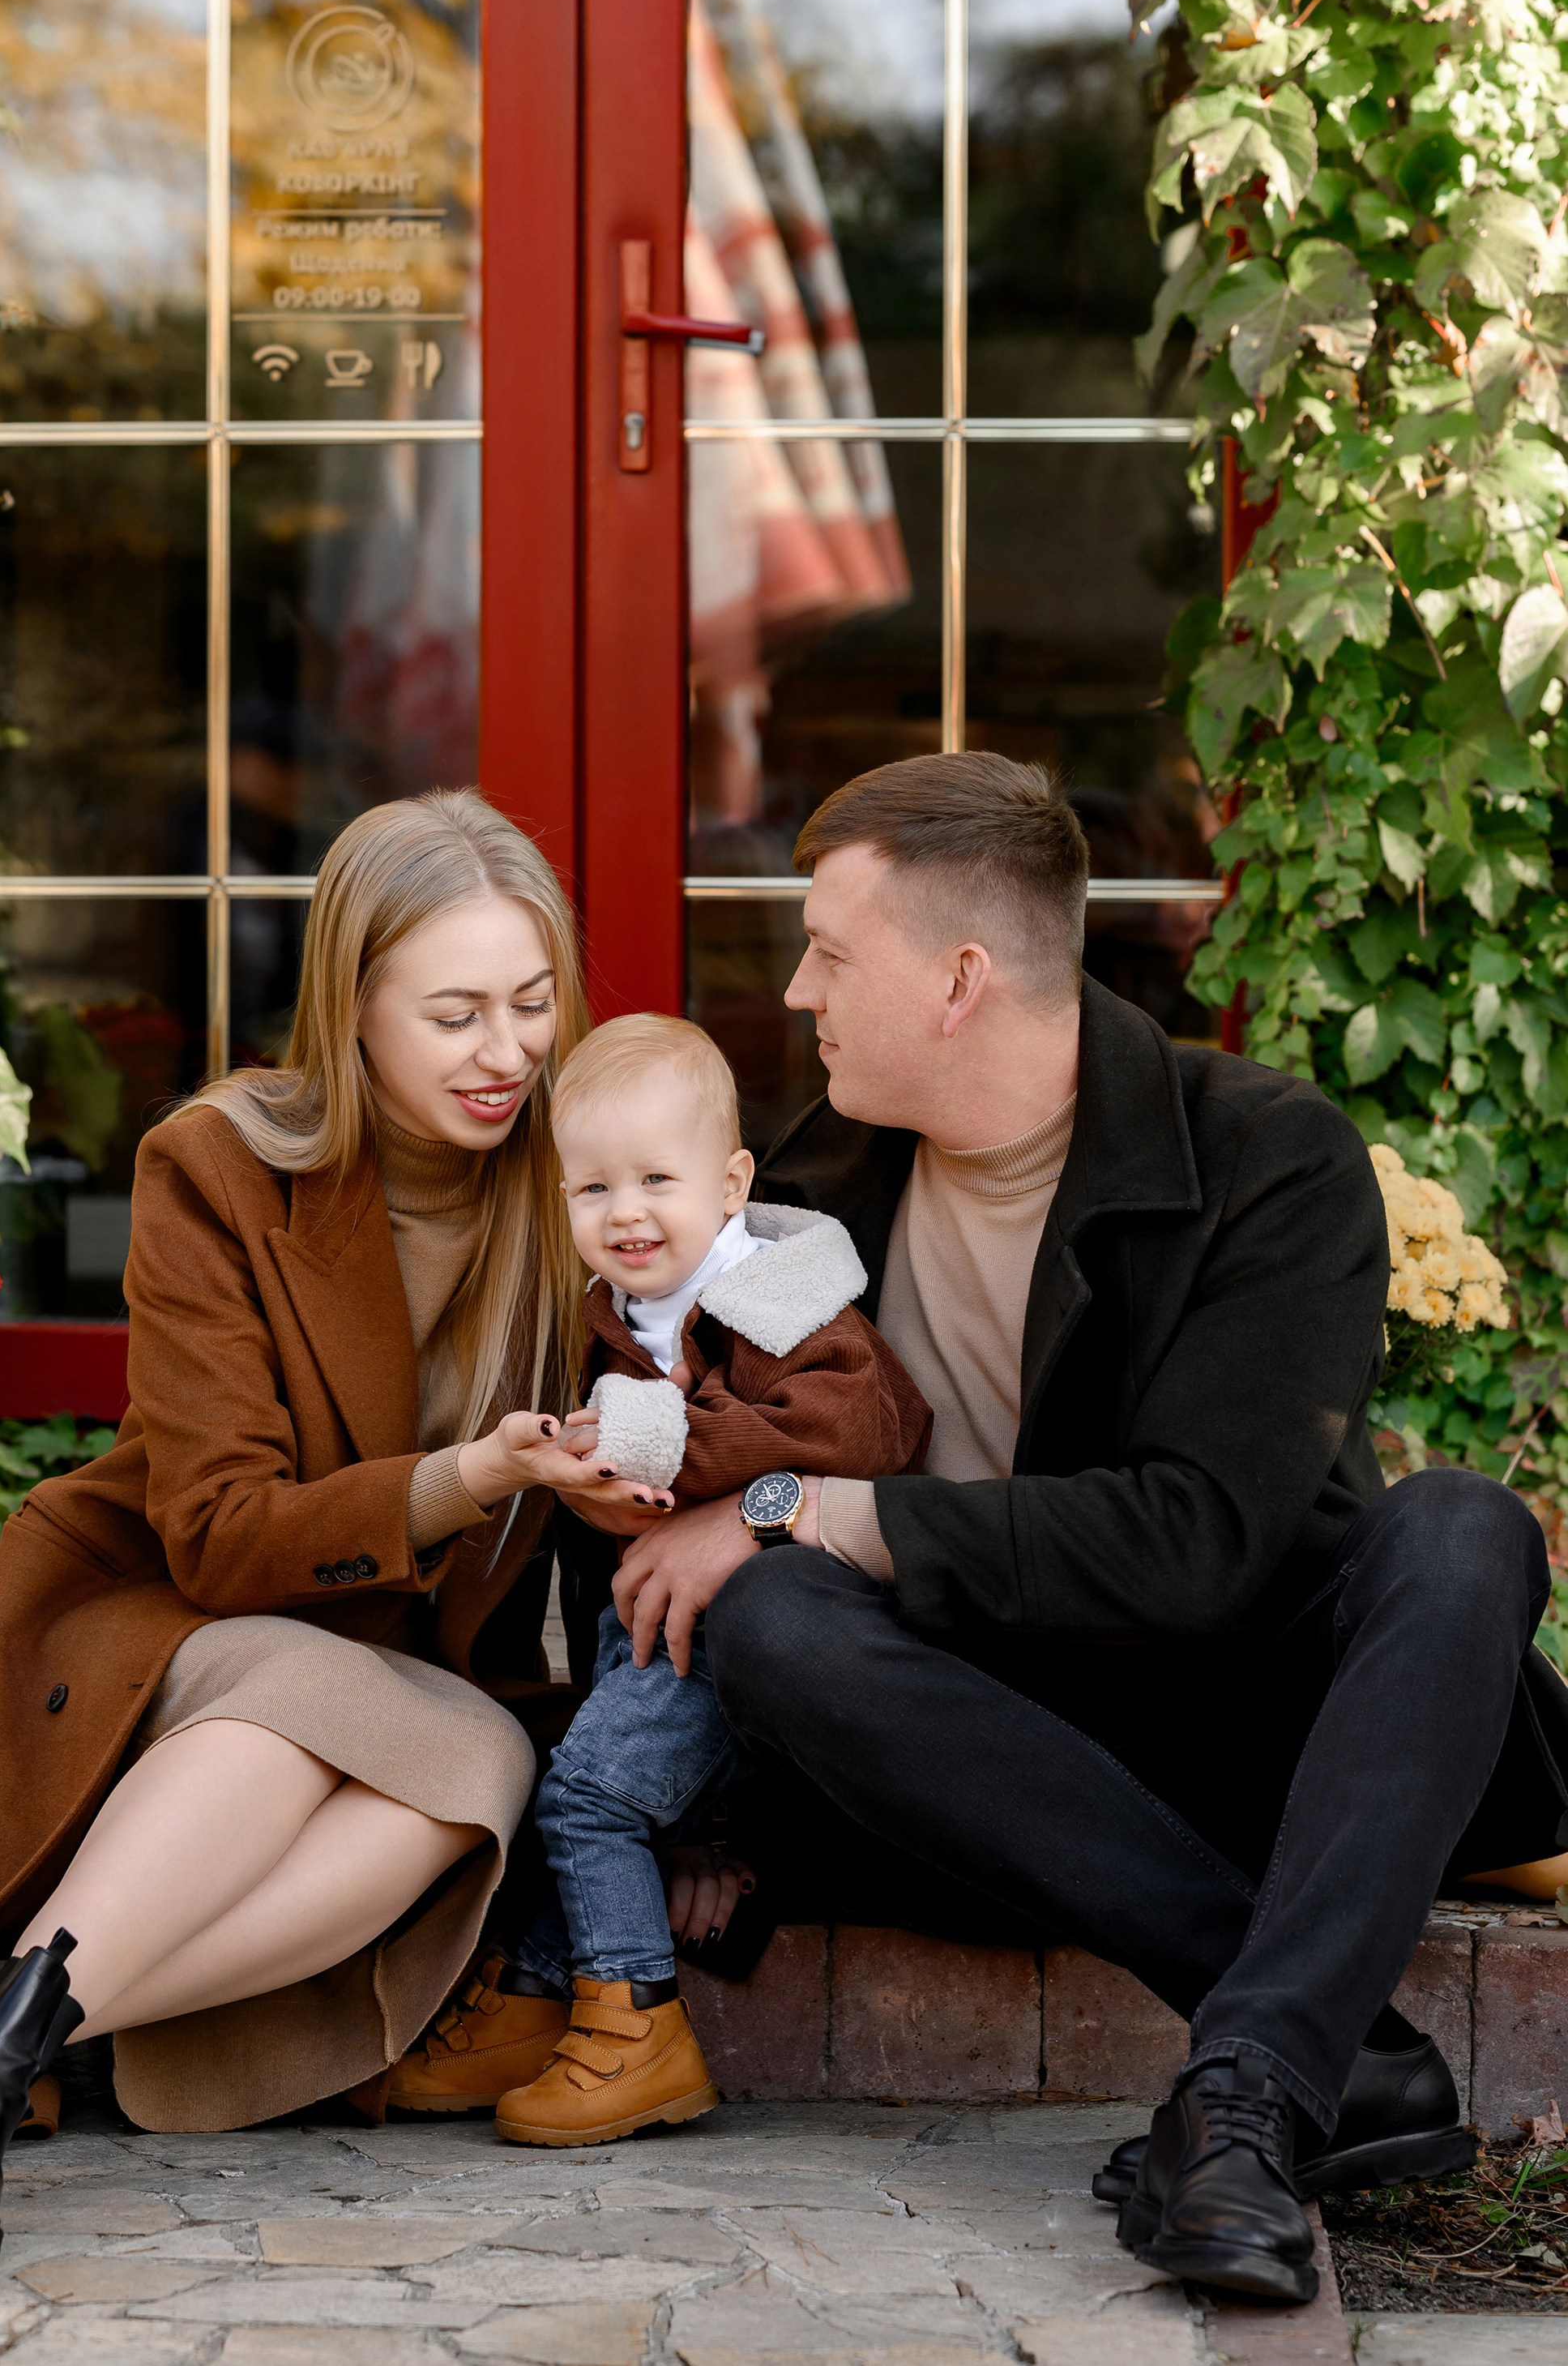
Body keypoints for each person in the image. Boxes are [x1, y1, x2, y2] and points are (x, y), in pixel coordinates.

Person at [601, 751, 1568, 2309]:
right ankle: (1329, 2064)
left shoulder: (1266, 1156)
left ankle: (1243, 2087)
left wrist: (810, 1506)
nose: (795, 992)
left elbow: (1206, 1543)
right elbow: (681, 1478)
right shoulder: (806, 1191)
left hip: (1260, 1730)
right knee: (772, 1619)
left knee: (1461, 1528)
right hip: (994, 1763)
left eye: (834, 953)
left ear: (960, 978)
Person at [0, 789, 665, 2264]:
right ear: (353, 1010)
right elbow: (222, 1534)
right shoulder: (218, 1165)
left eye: (536, 1004)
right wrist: (472, 1477)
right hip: (168, 1620)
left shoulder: (577, 1182)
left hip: (396, 1670)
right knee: (301, 1693)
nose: (509, 1054)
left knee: (479, 1760)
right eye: (458, 1013)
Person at [391, 1012, 929, 2146]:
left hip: (759, 1622)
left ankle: (635, 2024)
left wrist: (656, 1436)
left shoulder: (780, 1303)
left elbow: (859, 1427)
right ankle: (536, 2001)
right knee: (580, 1778)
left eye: (655, 1181)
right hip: (656, 1624)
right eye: (591, 1191)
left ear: (733, 1182)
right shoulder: (629, 1309)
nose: (624, 1214)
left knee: (585, 1798)